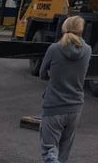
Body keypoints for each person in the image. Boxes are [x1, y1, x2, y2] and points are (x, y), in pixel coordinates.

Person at [39, 15, 92, 163]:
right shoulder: (87, 50)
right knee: (64, 150)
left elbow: (42, 73)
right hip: (75, 106)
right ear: (81, 30)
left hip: (54, 105)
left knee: (50, 149)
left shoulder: (54, 48)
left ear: (64, 28)